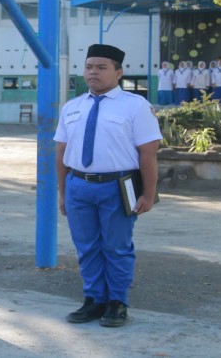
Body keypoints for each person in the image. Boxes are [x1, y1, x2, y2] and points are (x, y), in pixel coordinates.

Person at [54, 44, 162, 328]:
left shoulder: (136, 106)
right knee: (86, 246)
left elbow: (148, 154)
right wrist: (63, 192)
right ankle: (94, 299)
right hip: (78, 185)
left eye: (101, 67)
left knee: (116, 247)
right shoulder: (72, 107)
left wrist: (148, 194)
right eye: (89, 67)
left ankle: (117, 302)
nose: (93, 72)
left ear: (118, 72)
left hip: (118, 186)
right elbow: (61, 152)